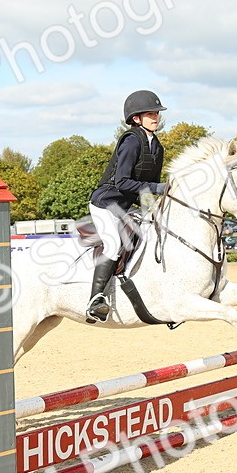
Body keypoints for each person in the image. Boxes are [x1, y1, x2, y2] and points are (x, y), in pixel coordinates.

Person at [85, 90, 169, 322]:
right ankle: (96, 300)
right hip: (106, 203)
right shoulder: (132, 141)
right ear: (136, 119)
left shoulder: (157, 147)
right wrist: (159, 188)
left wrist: (154, 206)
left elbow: (148, 186)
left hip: (127, 206)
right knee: (112, 245)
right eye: (150, 114)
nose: (155, 117)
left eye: (156, 113)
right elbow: (122, 182)